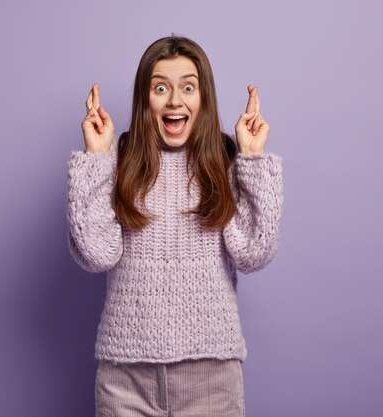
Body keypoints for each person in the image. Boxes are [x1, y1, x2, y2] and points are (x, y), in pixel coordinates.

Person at [67, 35, 284, 417]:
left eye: (188, 87)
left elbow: (255, 252)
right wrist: (96, 158)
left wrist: (252, 159)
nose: (174, 101)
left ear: (203, 97)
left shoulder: (226, 161)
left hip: (212, 379)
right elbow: (94, 254)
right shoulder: (118, 161)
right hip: (125, 380)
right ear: (144, 98)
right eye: (160, 88)